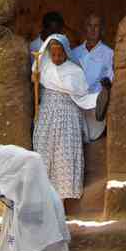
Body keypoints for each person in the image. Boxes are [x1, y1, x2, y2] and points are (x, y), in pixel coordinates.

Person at [32, 34, 97, 203]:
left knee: (64, 156)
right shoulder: (43, 66)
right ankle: (45, 201)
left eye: (60, 55)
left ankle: (62, 203)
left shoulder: (74, 71)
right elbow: (36, 81)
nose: (56, 58)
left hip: (67, 117)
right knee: (45, 153)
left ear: (66, 53)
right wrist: (35, 77)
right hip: (47, 115)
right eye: (53, 55)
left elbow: (81, 92)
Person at [73, 13, 114, 141]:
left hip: (95, 106)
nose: (92, 29)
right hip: (76, 103)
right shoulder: (75, 52)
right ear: (85, 28)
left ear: (102, 30)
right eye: (89, 26)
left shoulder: (109, 53)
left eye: (96, 26)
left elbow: (110, 79)